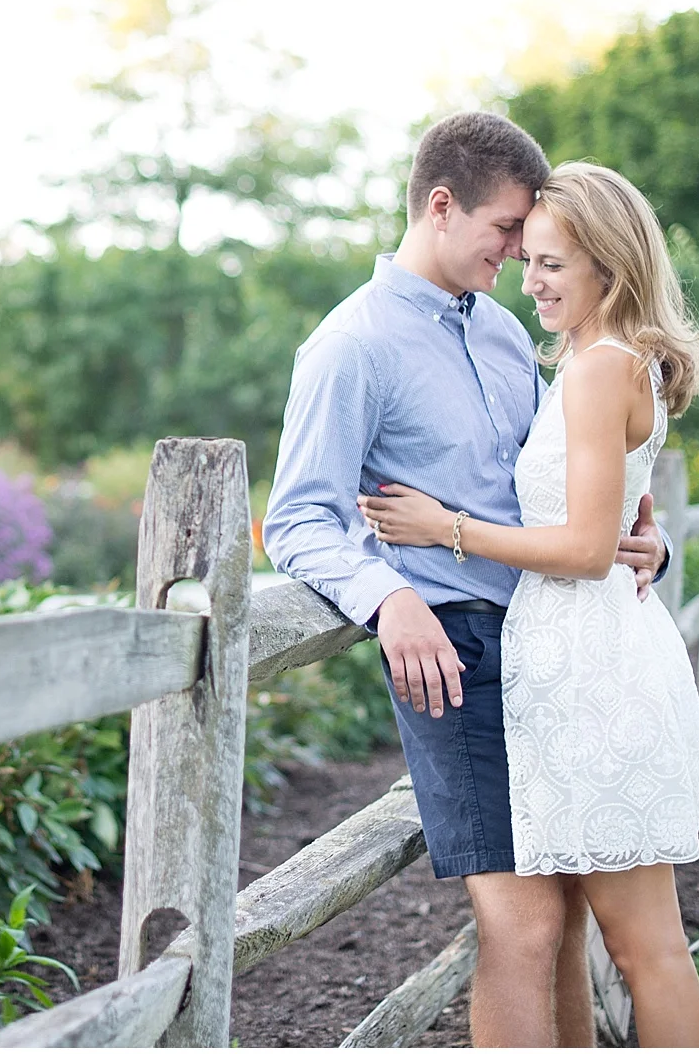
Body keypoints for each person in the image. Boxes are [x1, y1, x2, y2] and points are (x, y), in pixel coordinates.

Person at [263, 113, 671, 1048]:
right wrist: (389, 596)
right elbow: (296, 519)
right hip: (456, 650)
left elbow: (569, 483)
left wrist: (646, 538)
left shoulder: (504, 334)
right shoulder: (352, 343)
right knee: (522, 922)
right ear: (441, 206)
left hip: (552, 644)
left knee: (564, 909)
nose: (521, 253)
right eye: (506, 230)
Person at [358, 160, 699, 1047]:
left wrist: (447, 528)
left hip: (597, 675)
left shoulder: (598, 370)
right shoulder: (599, 363)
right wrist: (651, 538)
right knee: (618, 936)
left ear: (610, 267)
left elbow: (587, 550)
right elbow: (609, 517)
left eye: (553, 264)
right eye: (529, 261)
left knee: (646, 948)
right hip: (581, 667)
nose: (532, 281)